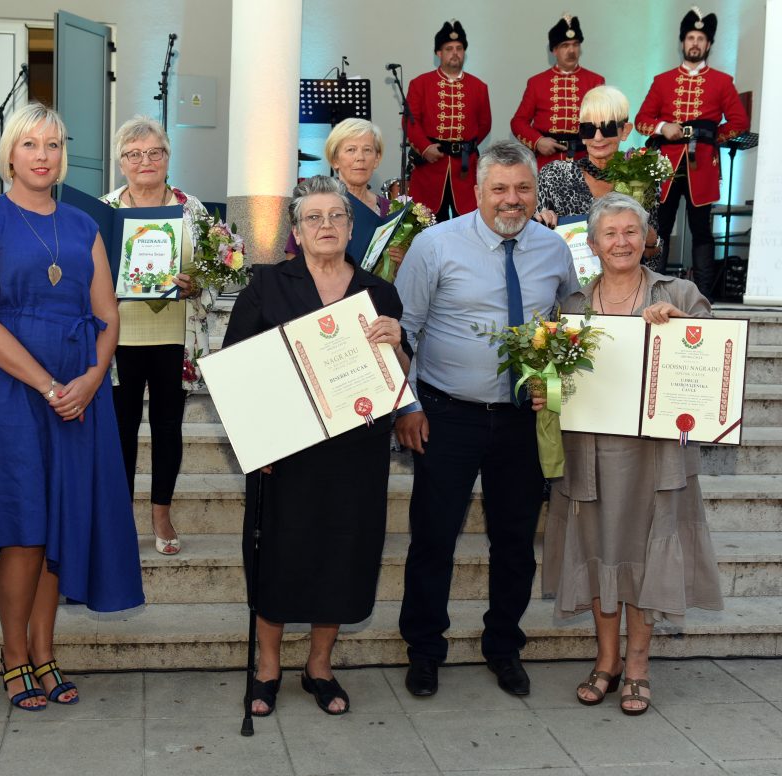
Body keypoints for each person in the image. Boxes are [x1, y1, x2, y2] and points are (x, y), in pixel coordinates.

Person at [0, 103, 144, 712]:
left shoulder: (84, 225)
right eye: (31, 144)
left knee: (61, 521)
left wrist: (91, 378)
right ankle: (13, 654)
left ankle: (45, 650)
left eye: (54, 145)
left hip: (77, 394)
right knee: (24, 530)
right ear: (10, 153)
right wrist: (48, 385)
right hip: (11, 393)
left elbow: (109, 315)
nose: (43, 155)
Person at [394, 141, 578, 699]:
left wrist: (561, 386)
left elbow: (570, 319)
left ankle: (503, 646)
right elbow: (402, 332)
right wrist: (407, 406)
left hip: (524, 419)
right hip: (447, 415)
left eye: (523, 188)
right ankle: (425, 649)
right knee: (433, 537)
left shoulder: (554, 249)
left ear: (536, 190)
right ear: (477, 192)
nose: (512, 199)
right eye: (499, 188)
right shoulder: (434, 245)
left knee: (516, 541)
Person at [224, 175, 409, 717]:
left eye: (336, 217)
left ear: (352, 227)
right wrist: (262, 442)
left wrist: (398, 344)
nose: (326, 226)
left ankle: (320, 666)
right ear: (296, 231)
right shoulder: (267, 285)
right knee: (277, 556)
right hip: (286, 455)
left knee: (342, 554)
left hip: (356, 451)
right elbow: (236, 368)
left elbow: (400, 379)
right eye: (314, 218)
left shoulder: (379, 292)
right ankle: (267, 668)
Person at [541, 192, 723, 715]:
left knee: (646, 552)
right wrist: (545, 390)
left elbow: (715, 367)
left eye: (630, 231)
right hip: (591, 451)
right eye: (609, 233)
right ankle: (606, 661)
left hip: (658, 454)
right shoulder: (572, 307)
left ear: (647, 237)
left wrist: (686, 329)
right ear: (593, 244)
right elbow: (558, 383)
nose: (621, 242)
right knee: (598, 548)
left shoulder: (681, 292)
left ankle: (638, 665)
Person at [100, 116, 215, 555]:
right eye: (134, 154)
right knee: (120, 430)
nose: (144, 161)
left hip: (173, 335)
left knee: (168, 428)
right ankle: (120, 514)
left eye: (154, 152)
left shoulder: (193, 209)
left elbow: (218, 267)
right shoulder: (104, 209)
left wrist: (198, 282)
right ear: (121, 163)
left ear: (167, 158)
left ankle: (161, 513)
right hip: (118, 339)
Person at [635, 7, 749, 299]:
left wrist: (711, 139)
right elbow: (641, 120)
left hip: (703, 165)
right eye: (690, 37)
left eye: (700, 38)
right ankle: (654, 290)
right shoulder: (662, 81)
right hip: (666, 165)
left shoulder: (722, 81)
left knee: (702, 230)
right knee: (661, 226)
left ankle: (704, 296)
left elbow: (739, 123)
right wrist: (663, 127)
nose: (695, 43)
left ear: (708, 44)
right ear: (682, 42)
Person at [535, 85, 663, 269]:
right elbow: (537, 247)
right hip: (569, 289)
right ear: (582, 135)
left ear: (625, 130)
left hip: (626, 286)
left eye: (607, 127)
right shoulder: (554, 175)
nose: (597, 137)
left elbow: (652, 259)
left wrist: (651, 239)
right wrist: (541, 223)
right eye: (588, 129)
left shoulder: (640, 178)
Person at [285, 118, 405, 274]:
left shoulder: (390, 210)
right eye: (351, 150)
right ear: (335, 160)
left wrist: (402, 260)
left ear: (376, 159)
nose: (360, 157)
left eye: (367, 150)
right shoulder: (314, 204)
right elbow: (291, 263)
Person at [406, 20, 491, 221]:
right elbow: (410, 122)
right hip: (429, 168)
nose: (455, 53)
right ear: (439, 53)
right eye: (449, 48)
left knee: (468, 223)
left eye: (459, 48)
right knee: (427, 225)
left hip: (465, 169)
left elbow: (485, 124)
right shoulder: (420, 84)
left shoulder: (479, 87)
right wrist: (425, 148)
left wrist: (463, 148)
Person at [511, 14, 605, 171]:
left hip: (585, 161)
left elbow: (605, 124)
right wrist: (538, 141)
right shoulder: (537, 82)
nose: (571, 51)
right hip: (547, 162)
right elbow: (518, 122)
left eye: (575, 45)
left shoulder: (596, 81)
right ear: (554, 50)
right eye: (565, 45)